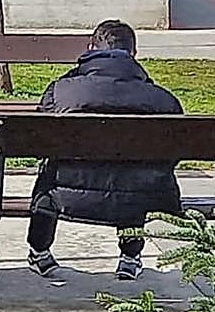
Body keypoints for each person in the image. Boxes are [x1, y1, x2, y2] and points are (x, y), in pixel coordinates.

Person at [26, 20, 183, 281]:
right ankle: (130, 257)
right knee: (135, 177)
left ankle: (40, 252)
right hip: (143, 197)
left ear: (91, 48)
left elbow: (39, 143)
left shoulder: (61, 92)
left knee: (49, 175)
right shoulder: (163, 100)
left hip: (65, 194)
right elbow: (175, 152)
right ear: (133, 54)